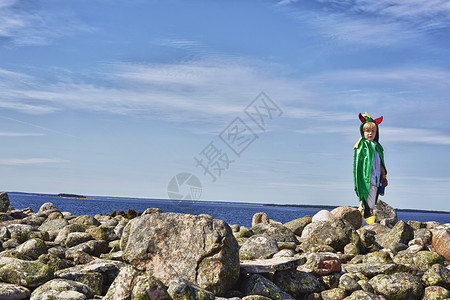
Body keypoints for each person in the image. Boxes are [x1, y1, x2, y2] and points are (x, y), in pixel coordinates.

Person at [353, 112, 388, 223]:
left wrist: (384, 176)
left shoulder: (377, 147)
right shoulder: (362, 146)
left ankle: (357, 217)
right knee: (370, 202)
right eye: (367, 131)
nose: (370, 133)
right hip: (367, 179)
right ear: (363, 132)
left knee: (369, 200)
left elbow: (381, 163)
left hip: (377, 178)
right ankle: (370, 221)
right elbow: (359, 165)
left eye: (373, 131)